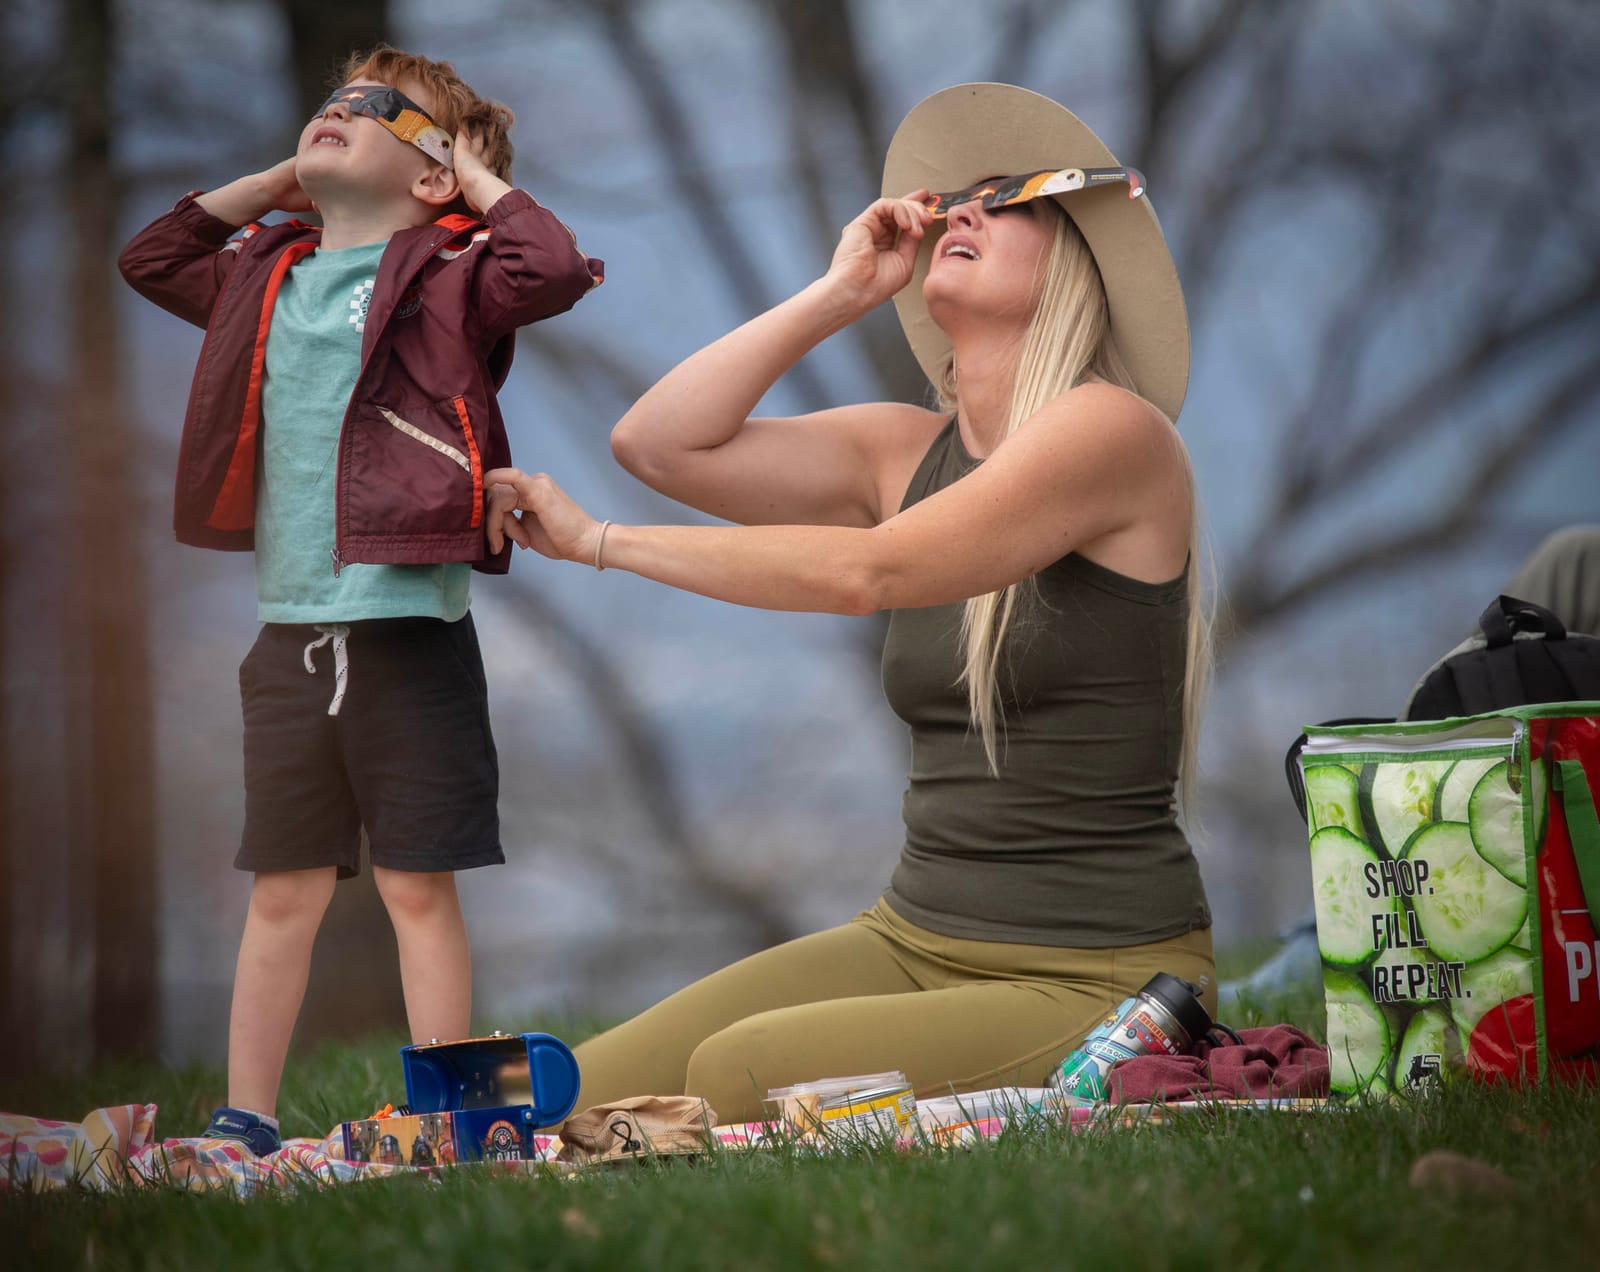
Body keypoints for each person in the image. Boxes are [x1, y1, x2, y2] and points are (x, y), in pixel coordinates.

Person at [488, 83, 1214, 1123]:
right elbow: (657, 443)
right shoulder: (902, 451)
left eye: (1009, 200)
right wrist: (840, 293)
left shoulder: (1115, 432)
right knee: (549, 1088)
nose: (962, 209)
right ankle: (328, 1159)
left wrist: (601, 544)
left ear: (1076, 267)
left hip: (1093, 977)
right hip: (911, 938)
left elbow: (868, 572)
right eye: (957, 197)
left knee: (733, 1074)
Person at [118, 46, 603, 1155]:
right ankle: (244, 1120)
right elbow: (152, 257)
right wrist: (277, 182)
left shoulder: (449, 277)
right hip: (286, 635)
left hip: (407, 636)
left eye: (379, 110)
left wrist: (475, 182)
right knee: (280, 890)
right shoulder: (261, 276)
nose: (341, 113)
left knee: (414, 884)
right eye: (330, 103)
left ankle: (458, 1117)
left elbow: (554, 267)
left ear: (434, 173)